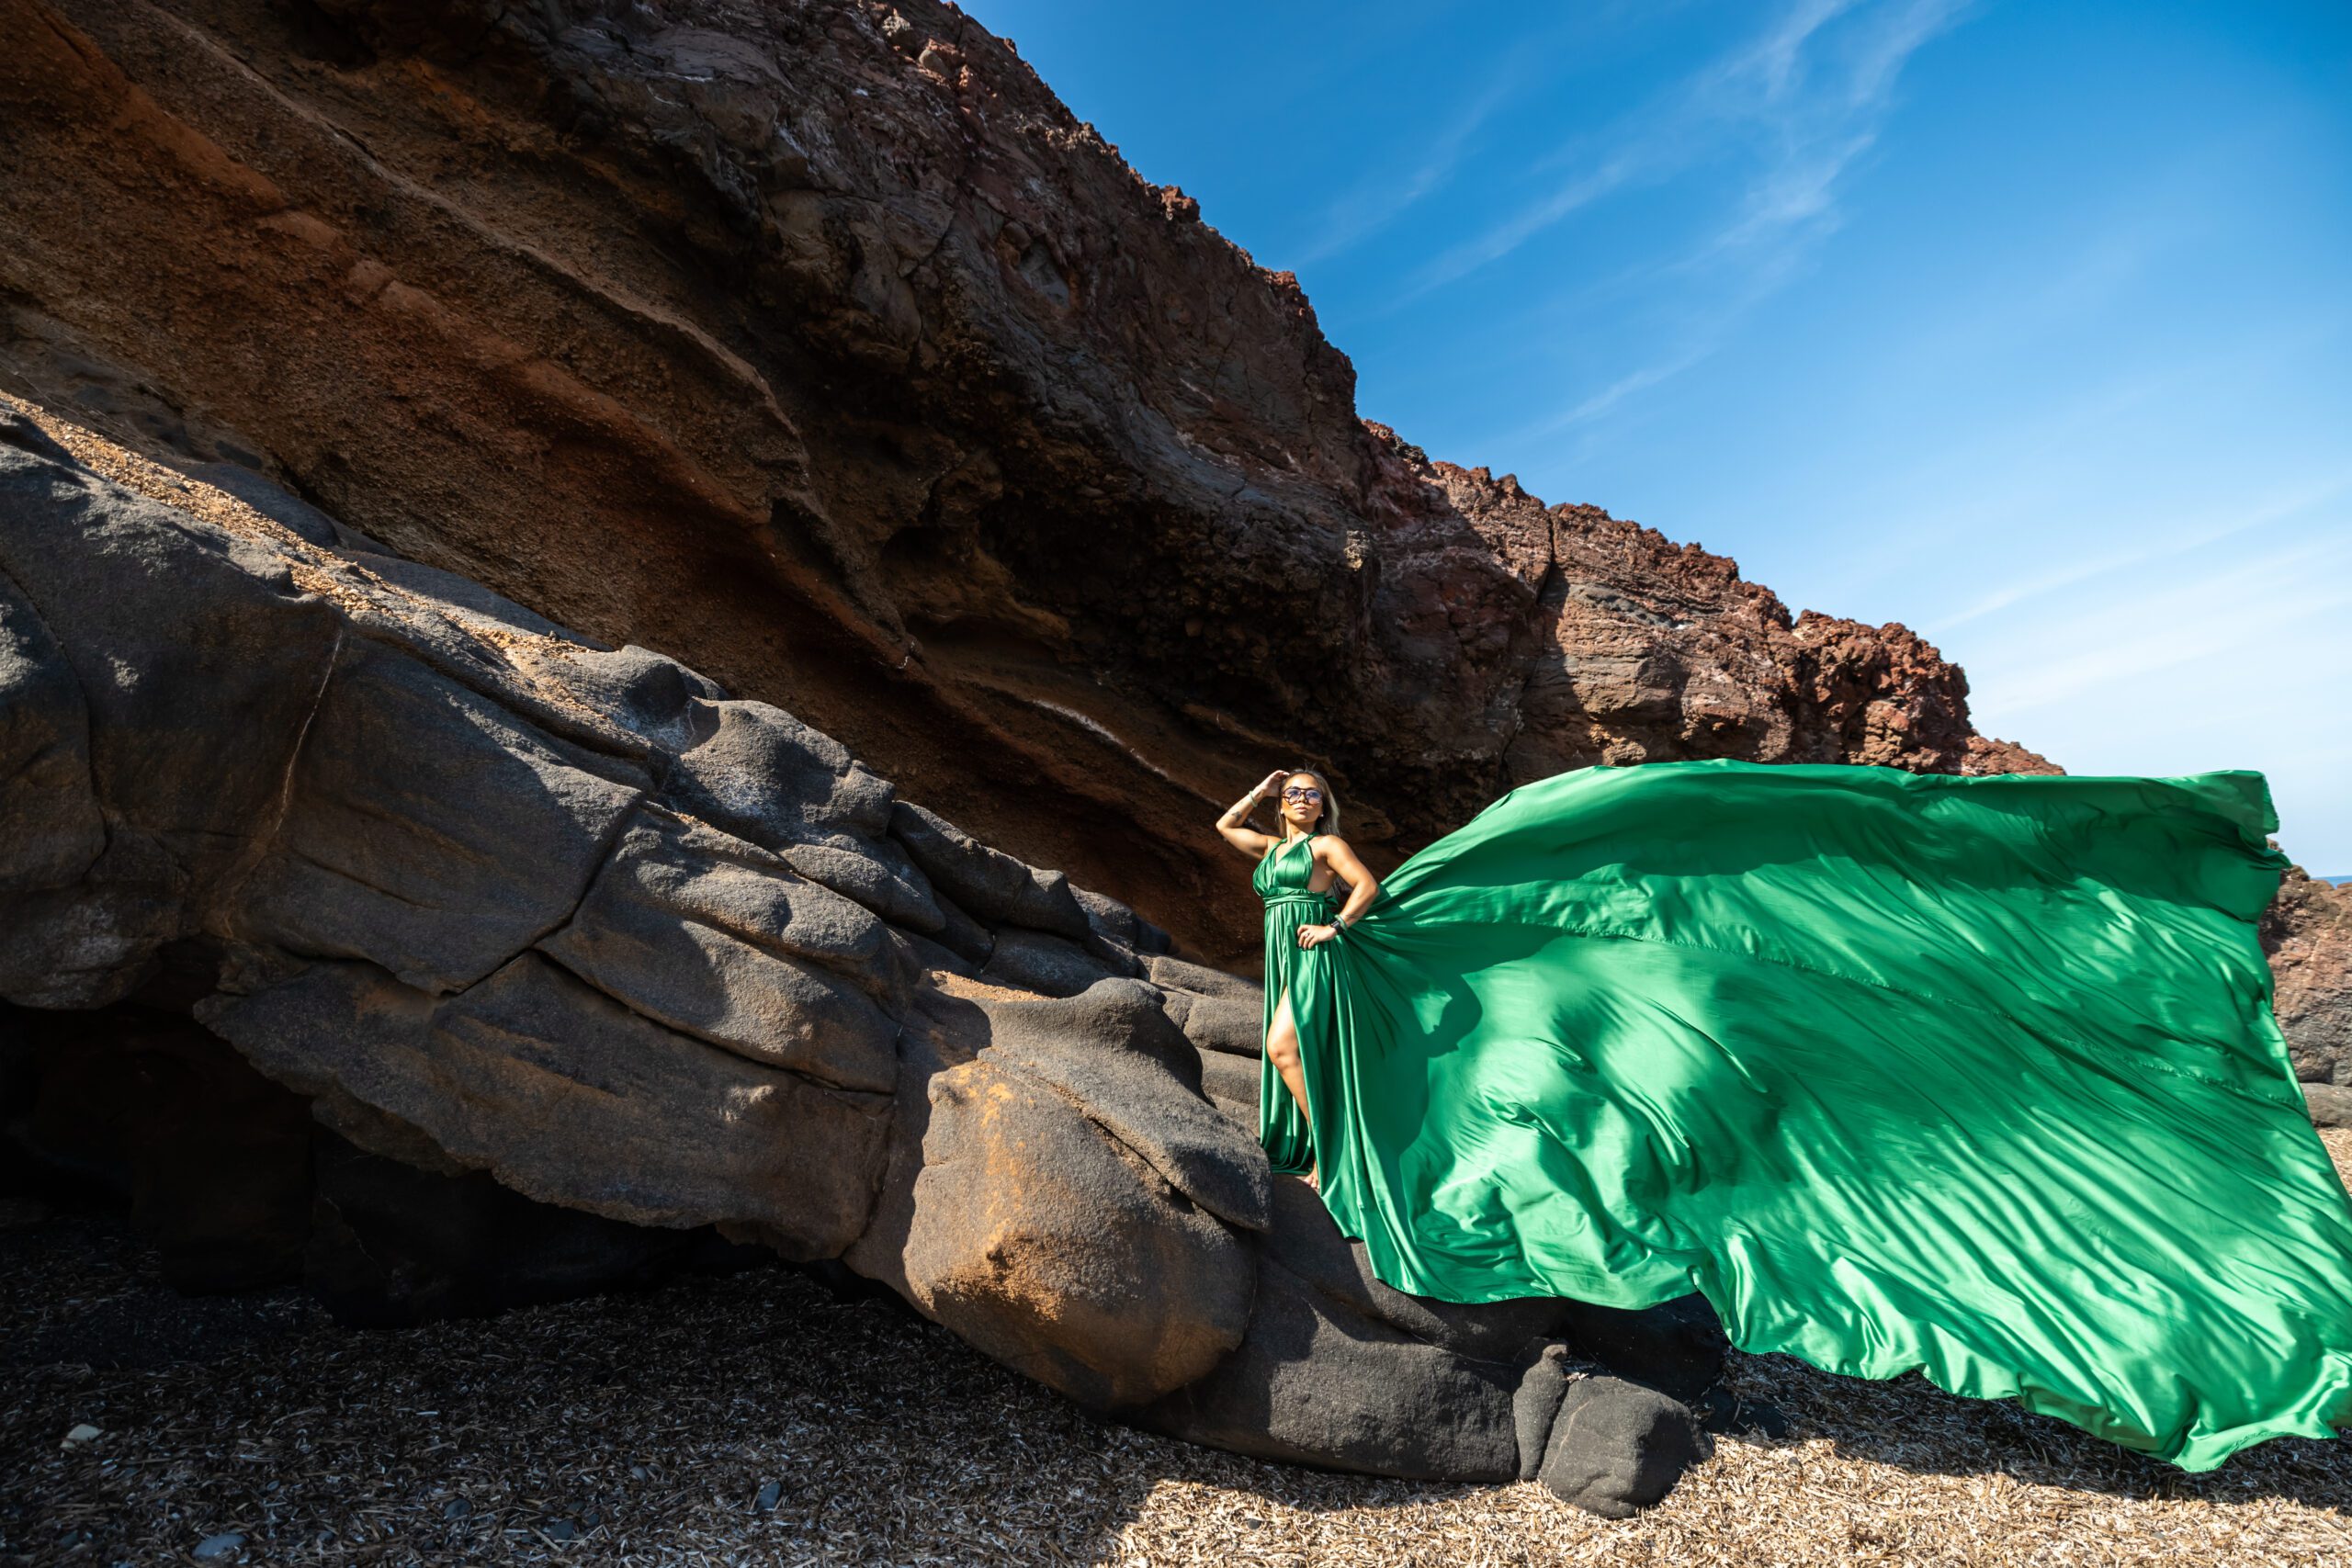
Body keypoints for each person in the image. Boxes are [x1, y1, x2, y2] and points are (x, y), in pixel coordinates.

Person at [1210, 757, 2352, 1472]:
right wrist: (1266, 794)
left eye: (1309, 796)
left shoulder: (1334, 853)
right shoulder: (1276, 835)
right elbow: (1228, 829)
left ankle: (1340, 1162)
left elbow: (1358, 890)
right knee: (1281, 1047)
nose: (1301, 807)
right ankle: (1325, 1157)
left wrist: (1334, 924)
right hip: (1299, 961)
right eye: (1295, 799)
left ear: (1330, 806)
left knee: (1289, 1046)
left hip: (1331, 957)